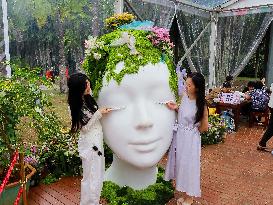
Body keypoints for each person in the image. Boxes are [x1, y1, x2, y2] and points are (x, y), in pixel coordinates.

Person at [165, 72, 209, 205]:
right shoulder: (185, 96)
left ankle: (190, 197)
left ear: (197, 87)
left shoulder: (202, 105)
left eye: (189, 85)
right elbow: (185, 114)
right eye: (186, 83)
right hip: (180, 136)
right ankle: (185, 194)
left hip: (190, 139)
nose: (186, 86)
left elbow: (204, 128)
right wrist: (176, 108)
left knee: (190, 166)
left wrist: (191, 131)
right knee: (181, 165)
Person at [67, 73, 111, 205]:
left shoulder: (87, 98)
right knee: (92, 176)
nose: (88, 85)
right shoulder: (74, 106)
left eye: (88, 82)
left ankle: (93, 202)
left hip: (96, 141)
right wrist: (98, 114)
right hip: (90, 145)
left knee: (97, 174)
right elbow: (84, 128)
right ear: (78, 87)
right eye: (85, 84)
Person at [257, 82, 273, 150]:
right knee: (271, 127)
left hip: (271, 105)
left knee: (271, 127)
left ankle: (262, 143)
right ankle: (261, 143)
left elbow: (271, 89)